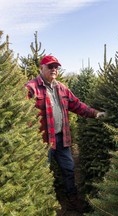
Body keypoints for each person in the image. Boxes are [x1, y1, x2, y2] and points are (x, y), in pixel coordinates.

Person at [25, 55, 106, 213]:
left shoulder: (61, 88)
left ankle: (72, 200)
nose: (54, 69)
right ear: (41, 68)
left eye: (56, 67)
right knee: (42, 173)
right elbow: (20, 112)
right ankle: (44, 203)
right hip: (42, 141)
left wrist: (96, 113)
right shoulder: (31, 88)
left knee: (69, 169)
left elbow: (77, 105)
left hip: (62, 138)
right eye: (50, 66)